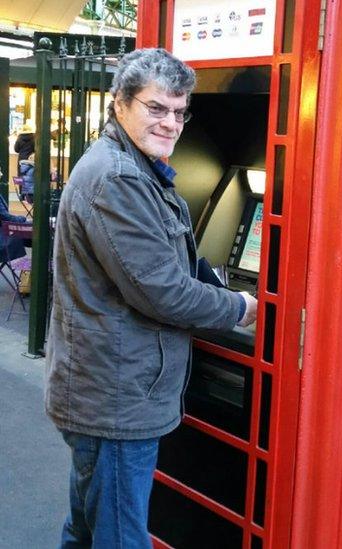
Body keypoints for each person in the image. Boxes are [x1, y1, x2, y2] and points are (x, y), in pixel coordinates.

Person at [44, 48, 258, 548]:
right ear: (120, 103)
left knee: (86, 526)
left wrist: (212, 286)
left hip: (110, 384)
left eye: (180, 111)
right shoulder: (118, 176)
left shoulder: (134, 165)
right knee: (119, 535)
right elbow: (163, 292)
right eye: (156, 108)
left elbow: (171, 265)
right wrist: (241, 307)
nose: (171, 122)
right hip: (117, 396)